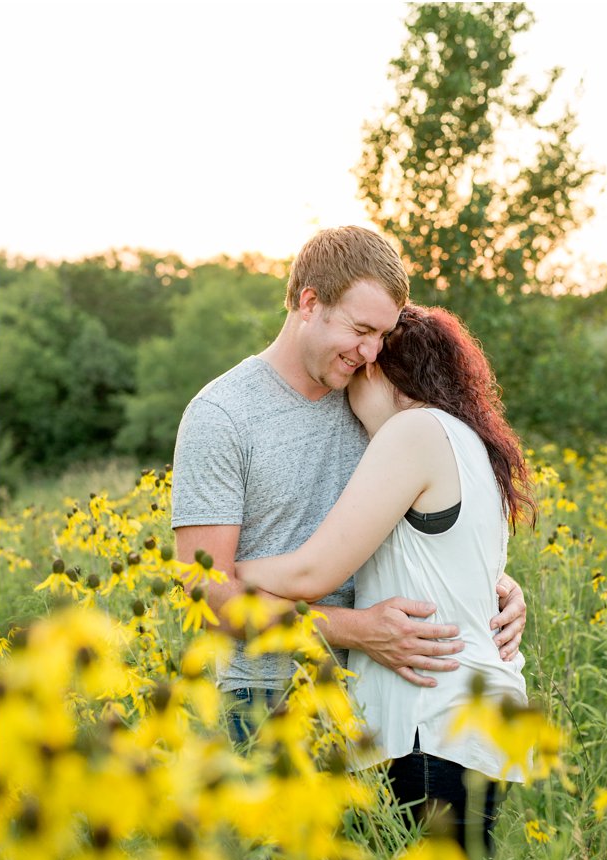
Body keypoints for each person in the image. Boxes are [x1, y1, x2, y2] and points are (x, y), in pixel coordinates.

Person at [171, 226, 526, 742]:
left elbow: (427, 523)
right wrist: (354, 630)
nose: (371, 351)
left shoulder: (375, 398)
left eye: (382, 334)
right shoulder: (221, 416)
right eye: (361, 329)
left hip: (383, 702)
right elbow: (203, 594)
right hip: (266, 699)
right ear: (309, 303)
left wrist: (493, 587)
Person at [233, 303, 537, 846]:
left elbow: (310, 571)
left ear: (377, 369)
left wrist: (220, 568)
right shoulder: (466, 440)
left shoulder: (412, 431)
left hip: (432, 722)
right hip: (474, 721)